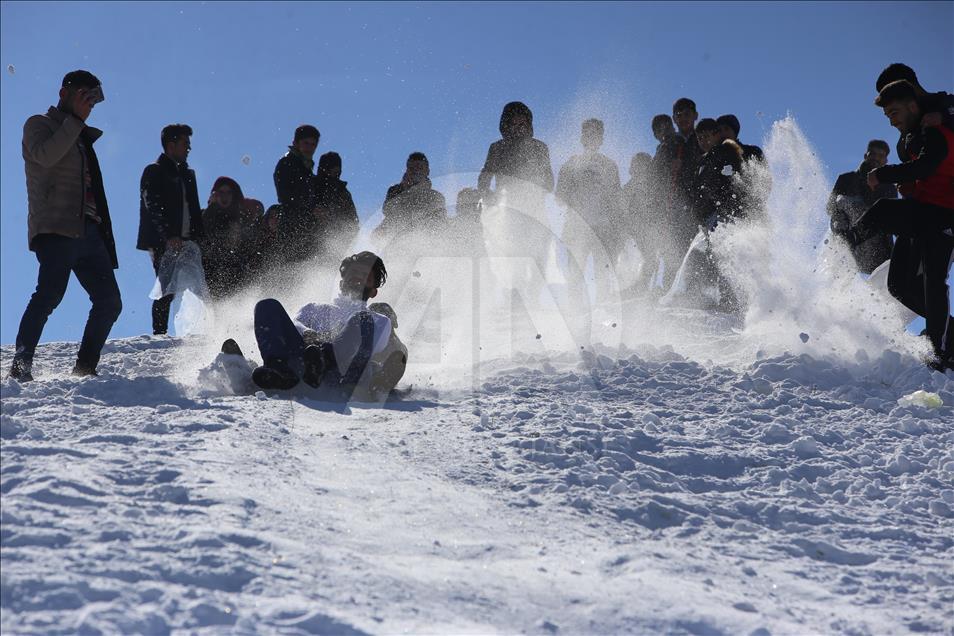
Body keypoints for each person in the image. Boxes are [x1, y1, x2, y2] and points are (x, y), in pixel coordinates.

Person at [9, 70, 122, 381]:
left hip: (90, 230)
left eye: (93, 100)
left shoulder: (81, 135)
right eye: (85, 96)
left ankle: (85, 369)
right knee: (48, 295)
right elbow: (45, 156)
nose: (90, 104)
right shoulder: (38, 125)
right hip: (56, 227)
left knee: (110, 301)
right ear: (64, 93)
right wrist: (75, 123)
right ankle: (20, 369)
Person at [850, 80, 954, 370]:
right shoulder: (909, 138)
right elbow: (921, 177)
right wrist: (908, 185)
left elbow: (927, 165)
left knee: (933, 280)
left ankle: (939, 351)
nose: (892, 120)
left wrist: (884, 174)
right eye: (888, 116)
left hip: (946, 216)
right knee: (899, 285)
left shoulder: (937, 128)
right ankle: (949, 336)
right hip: (926, 212)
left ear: (913, 103)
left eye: (895, 112)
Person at [241, 251, 407, 400]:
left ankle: (357, 379)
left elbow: (373, 346)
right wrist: (307, 332)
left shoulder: (378, 320)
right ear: (341, 282)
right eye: (354, 272)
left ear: (373, 292)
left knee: (362, 321)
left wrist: (329, 343)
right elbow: (293, 324)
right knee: (267, 305)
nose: (358, 278)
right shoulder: (314, 308)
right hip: (302, 360)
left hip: (339, 371)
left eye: (366, 277)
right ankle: (278, 371)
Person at [477, 101, 555, 293]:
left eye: (523, 124)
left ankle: (534, 294)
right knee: (515, 253)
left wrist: (540, 186)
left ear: (529, 125)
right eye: (515, 124)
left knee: (540, 251)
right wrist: (488, 193)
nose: (519, 129)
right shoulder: (497, 148)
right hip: (510, 208)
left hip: (535, 207)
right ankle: (516, 295)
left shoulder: (539, 148)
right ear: (506, 125)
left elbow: (549, 179)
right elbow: (485, 175)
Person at [136, 123, 204, 336]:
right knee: (166, 289)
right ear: (171, 145)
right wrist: (168, 235)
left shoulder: (187, 175)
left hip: (188, 241)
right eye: (185, 143)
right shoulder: (154, 171)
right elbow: (152, 205)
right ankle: (160, 334)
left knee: (198, 286)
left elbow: (193, 209)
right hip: (163, 242)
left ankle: (201, 329)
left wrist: (201, 239)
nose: (188, 148)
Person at [555, 118, 623, 307]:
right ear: (582, 138)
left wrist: (617, 229)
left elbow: (616, 199)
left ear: (601, 139)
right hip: (576, 227)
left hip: (602, 228)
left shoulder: (610, 166)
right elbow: (559, 197)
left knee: (603, 271)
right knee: (575, 272)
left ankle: (604, 310)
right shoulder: (571, 163)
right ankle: (575, 310)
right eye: (587, 133)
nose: (591, 137)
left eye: (595, 134)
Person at [826, 140, 897, 274]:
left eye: (881, 156)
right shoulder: (846, 179)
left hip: (878, 249)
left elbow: (892, 219)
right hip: (848, 237)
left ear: (886, 161)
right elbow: (830, 208)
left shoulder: (889, 188)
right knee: (844, 206)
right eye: (873, 154)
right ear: (866, 156)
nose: (876, 158)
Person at [200, 176, 263, 299]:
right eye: (221, 192)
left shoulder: (241, 218)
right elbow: (203, 231)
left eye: (229, 193)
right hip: (211, 272)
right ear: (215, 195)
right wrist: (211, 207)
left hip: (237, 272)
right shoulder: (206, 214)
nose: (225, 196)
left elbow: (249, 243)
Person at [372, 152, 447, 243]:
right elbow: (387, 210)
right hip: (396, 234)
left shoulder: (435, 196)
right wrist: (405, 189)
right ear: (407, 171)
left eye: (420, 168)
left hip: (423, 238)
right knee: (377, 234)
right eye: (412, 169)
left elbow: (440, 223)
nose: (416, 172)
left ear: (427, 171)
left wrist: (418, 190)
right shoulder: (395, 190)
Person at [273, 124, 320, 263]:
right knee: (293, 265)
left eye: (313, 144)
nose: (310, 148)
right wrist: (311, 208)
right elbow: (285, 195)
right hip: (291, 226)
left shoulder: (306, 167)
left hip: (305, 226)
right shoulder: (287, 163)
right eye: (306, 143)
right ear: (296, 143)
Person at [313, 151, 360, 263]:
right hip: (313, 240)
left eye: (338, 169)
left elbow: (353, 219)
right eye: (331, 168)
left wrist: (349, 235)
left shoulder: (342, 192)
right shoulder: (312, 186)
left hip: (337, 241)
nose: (335, 172)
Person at [622, 152, 659, 288]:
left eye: (643, 165)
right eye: (636, 165)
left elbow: (656, 206)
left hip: (647, 228)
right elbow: (622, 207)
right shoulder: (629, 187)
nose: (639, 168)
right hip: (633, 230)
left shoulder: (652, 186)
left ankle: (640, 286)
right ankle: (635, 286)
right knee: (637, 258)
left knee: (649, 259)